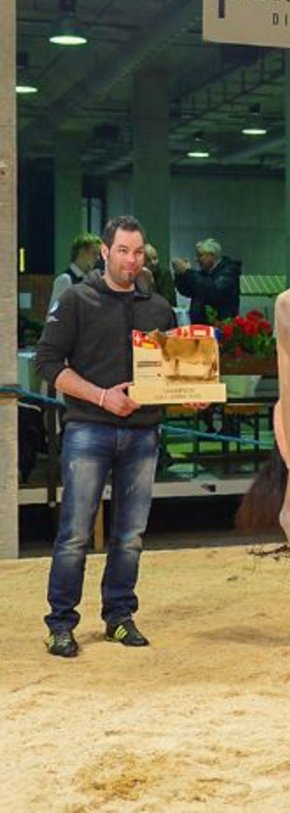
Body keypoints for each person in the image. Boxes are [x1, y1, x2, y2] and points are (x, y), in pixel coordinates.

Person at [35, 215, 177, 658]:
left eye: (138, 253)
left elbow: (174, 373)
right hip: (87, 431)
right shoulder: (76, 300)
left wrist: (190, 392)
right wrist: (101, 397)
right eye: (122, 251)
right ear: (104, 252)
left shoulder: (159, 308)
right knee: (75, 533)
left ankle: (118, 616)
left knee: (131, 535)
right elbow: (47, 364)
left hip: (143, 435)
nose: (131, 261)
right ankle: (61, 623)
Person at [173, 237, 241, 324]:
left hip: (221, 324)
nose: (196, 259)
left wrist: (189, 272)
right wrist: (180, 274)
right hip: (200, 324)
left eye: (200, 255)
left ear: (212, 255)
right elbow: (187, 291)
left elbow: (213, 290)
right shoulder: (203, 273)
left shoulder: (229, 270)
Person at [48, 231, 102, 312]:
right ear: (82, 252)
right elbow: (54, 315)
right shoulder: (65, 280)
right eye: (94, 253)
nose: (98, 258)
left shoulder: (89, 280)